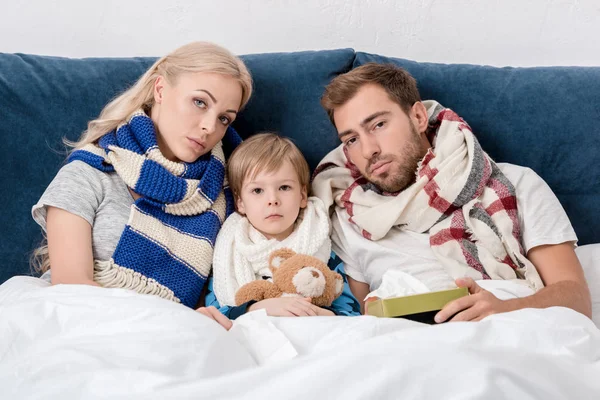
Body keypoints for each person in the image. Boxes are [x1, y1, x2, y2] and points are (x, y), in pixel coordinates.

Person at [312, 62, 592, 323]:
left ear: (419, 117)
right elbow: (361, 323)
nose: (368, 149)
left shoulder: (517, 182)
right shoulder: (347, 217)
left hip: (504, 328)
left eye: (379, 125)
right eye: (351, 139)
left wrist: (504, 310)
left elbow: (575, 298)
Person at [31, 41, 253, 330]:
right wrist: (173, 320)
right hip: (83, 328)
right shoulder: (88, 172)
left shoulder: (222, 192)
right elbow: (73, 289)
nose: (210, 127)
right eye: (200, 102)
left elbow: (219, 295)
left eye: (224, 118)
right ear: (160, 90)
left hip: (175, 340)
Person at [206, 133, 361, 318]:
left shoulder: (320, 244)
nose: (272, 200)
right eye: (257, 190)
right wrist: (257, 309)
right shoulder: (229, 251)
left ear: (302, 195)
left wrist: (318, 314)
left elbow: (351, 314)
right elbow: (214, 315)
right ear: (240, 202)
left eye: (284, 188)